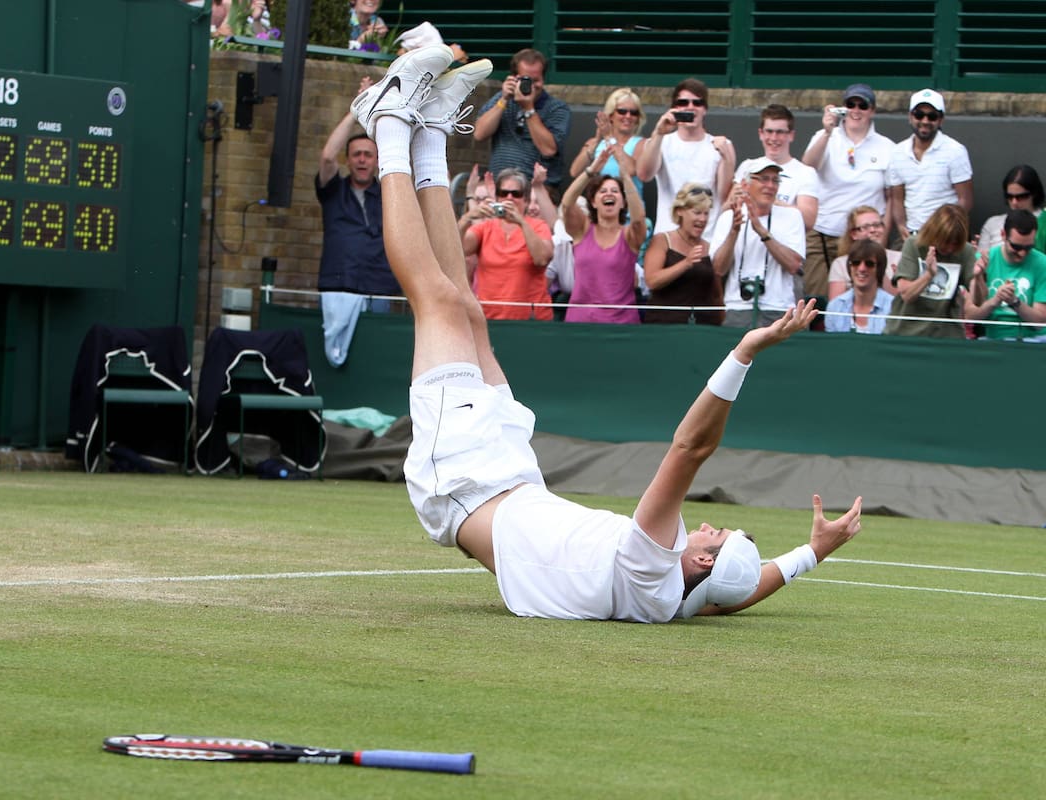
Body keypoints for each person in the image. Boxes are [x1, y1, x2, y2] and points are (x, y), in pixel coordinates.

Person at [349, 44, 862, 623]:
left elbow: (692, 447)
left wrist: (744, 352)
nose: (712, 525)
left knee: (436, 301)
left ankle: (389, 119)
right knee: (467, 310)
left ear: (699, 563)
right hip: (512, 475)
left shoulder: (655, 565)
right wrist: (813, 551)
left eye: (716, 537)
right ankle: (432, 138)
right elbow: (747, 585)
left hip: (466, 486)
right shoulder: (683, 600)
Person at [315, 77, 399, 366]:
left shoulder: (390, 192)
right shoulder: (333, 190)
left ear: (377, 160)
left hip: (381, 289)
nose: (362, 160)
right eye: (356, 155)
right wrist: (355, 111)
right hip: (339, 288)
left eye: (368, 155)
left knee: (376, 358)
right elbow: (327, 157)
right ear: (348, 161)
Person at [802, 83, 895, 305]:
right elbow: (807, 166)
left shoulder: (887, 147)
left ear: (872, 111)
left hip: (864, 239)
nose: (856, 110)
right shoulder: (825, 136)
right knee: (818, 300)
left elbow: (892, 198)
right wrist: (827, 132)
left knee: (863, 299)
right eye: (850, 104)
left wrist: (882, 236)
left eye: (862, 105)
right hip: (824, 233)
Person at [711, 158, 806, 329]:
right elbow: (719, 268)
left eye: (775, 180)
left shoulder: (792, 216)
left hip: (780, 309)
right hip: (738, 307)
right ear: (745, 185)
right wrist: (733, 232)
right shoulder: (728, 217)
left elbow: (793, 265)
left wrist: (762, 232)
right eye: (763, 179)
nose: (770, 185)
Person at [558, 145, 647, 324]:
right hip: (580, 322)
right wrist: (591, 171)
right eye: (603, 191)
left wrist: (625, 177)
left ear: (623, 202)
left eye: (615, 191)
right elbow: (567, 204)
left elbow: (639, 219)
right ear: (593, 201)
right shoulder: (582, 229)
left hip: (622, 324)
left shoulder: (630, 235)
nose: (609, 194)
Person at [637, 78, 736, 235]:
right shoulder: (661, 142)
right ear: (675, 108)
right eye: (684, 103)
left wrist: (727, 158)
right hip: (668, 237)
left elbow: (725, 197)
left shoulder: (722, 145)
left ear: (705, 109)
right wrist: (659, 133)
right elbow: (644, 174)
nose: (690, 107)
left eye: (697, 103)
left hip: (707, 239)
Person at [459, 167, 555, 320]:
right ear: (497, 198)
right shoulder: (486, 227)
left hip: (530, 320)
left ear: (526, 200)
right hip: (489, 318)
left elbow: (542, 258)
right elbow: (457, 249)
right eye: (503, 193)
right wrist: (466, 219)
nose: (509, 198)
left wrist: (521, 222)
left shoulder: (538, 226)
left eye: (516, 194)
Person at [473, 48, 572, 196]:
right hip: (498, 184)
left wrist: (529, 109)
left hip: (536, 187)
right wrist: (503, 100)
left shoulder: (557, 109)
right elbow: (479, 134)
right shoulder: (502, 99)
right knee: (478, 195)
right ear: (514, 77)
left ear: (543, 79)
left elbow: (549, 149)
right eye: (525, 80)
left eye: (535, 80)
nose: (531, 86)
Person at [887, 89, 974, 247]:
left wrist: (948, 228)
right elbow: (897, 198)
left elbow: (965, 199)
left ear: (941, 120)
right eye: (919, 115)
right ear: (910, 117)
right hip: (912, 236)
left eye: (932, 116)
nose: (925, 121)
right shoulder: (897, 152)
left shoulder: (955, 151)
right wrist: (901, 225)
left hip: (946, 239)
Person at [885, 203, 978, 339]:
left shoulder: (966, 251)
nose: (950, 248)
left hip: (947, 336)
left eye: (955, 243)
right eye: (946, 242)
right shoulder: (914, 244)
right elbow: (906, 295)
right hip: (906, 333)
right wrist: (928, 275)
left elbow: (978, 300)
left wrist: (979, 277)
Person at [640, 182, 724, 326]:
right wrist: (685, 263)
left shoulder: (710, 247)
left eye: (706, 213)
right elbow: (652, 281)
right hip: (664, 325)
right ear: (680, 211)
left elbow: (716, 294)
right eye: (697, 212)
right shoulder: (662, 240)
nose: (702, 219)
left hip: (703, 327)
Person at [965, 209, 1046, 341]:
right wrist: (994, 298)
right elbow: (970, 316)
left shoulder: (1042, 263)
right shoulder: (984, 260)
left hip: (1033, 338)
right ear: (1003, 235)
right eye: (1016, 247)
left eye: (1028, 247)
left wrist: (1014, 302)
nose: (1022, 253)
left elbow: (1040, 322)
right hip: (993, 337)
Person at [734, 104, 819, 230]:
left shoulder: (806, 173)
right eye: (769, 131)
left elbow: (808, 220)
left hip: (784, 243)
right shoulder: (747, 166)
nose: (774, 138)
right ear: (761, 134)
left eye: (780, 132)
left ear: (791, 135)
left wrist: (768, 200)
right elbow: (729, 208)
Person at [569, 87, 649, 203]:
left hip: (630, 214)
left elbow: (631, 170)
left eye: (634, 113)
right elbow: (574, 171)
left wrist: (609, 138)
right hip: (600, 211)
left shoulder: (641, 143)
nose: (628, 116)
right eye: (622, 111)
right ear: (611, 115)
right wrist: (596, 142)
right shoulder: (595, 143)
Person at [826, 205, 901, 299]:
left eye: (877, 225)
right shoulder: (840, 264)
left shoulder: (900, 258)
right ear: (854, 234)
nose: (873, 230)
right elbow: (835, 305)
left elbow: (900, 302)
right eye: (865, 227)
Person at [824, 240, 894, 334]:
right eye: (856, 263)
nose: (861, 269)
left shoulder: (893, 307)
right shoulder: (835, 306)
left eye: (869, 264)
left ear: (879, 269)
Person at [975, 165, 1044, 254]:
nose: (1014, 202)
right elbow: (980, 258)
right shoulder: (993, 223)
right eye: (1010, 197)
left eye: (1021, 197)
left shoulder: (1043, 222)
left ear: (1034, 194)